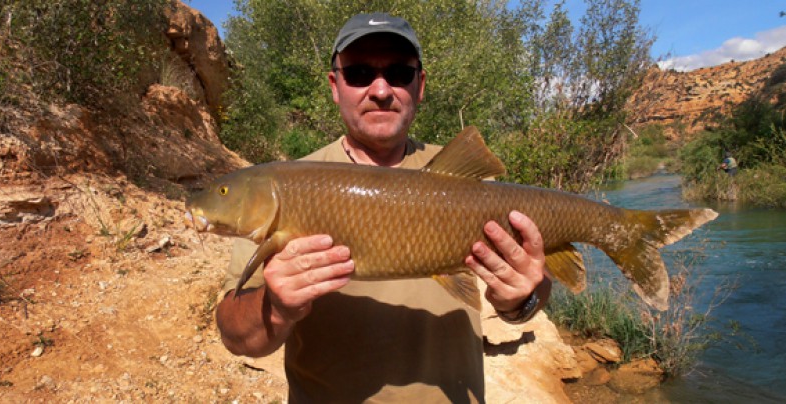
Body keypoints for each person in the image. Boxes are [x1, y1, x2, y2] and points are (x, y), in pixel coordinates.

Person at [215, 12, 552, 403]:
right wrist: (276, 308)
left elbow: (534, 290)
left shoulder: (473, 188)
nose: (380, 89)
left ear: (420, 84)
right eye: (358, 73)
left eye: (398, 73)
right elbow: (234, 334)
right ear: (335, 85)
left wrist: (521, 301)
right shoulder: (284, 188)